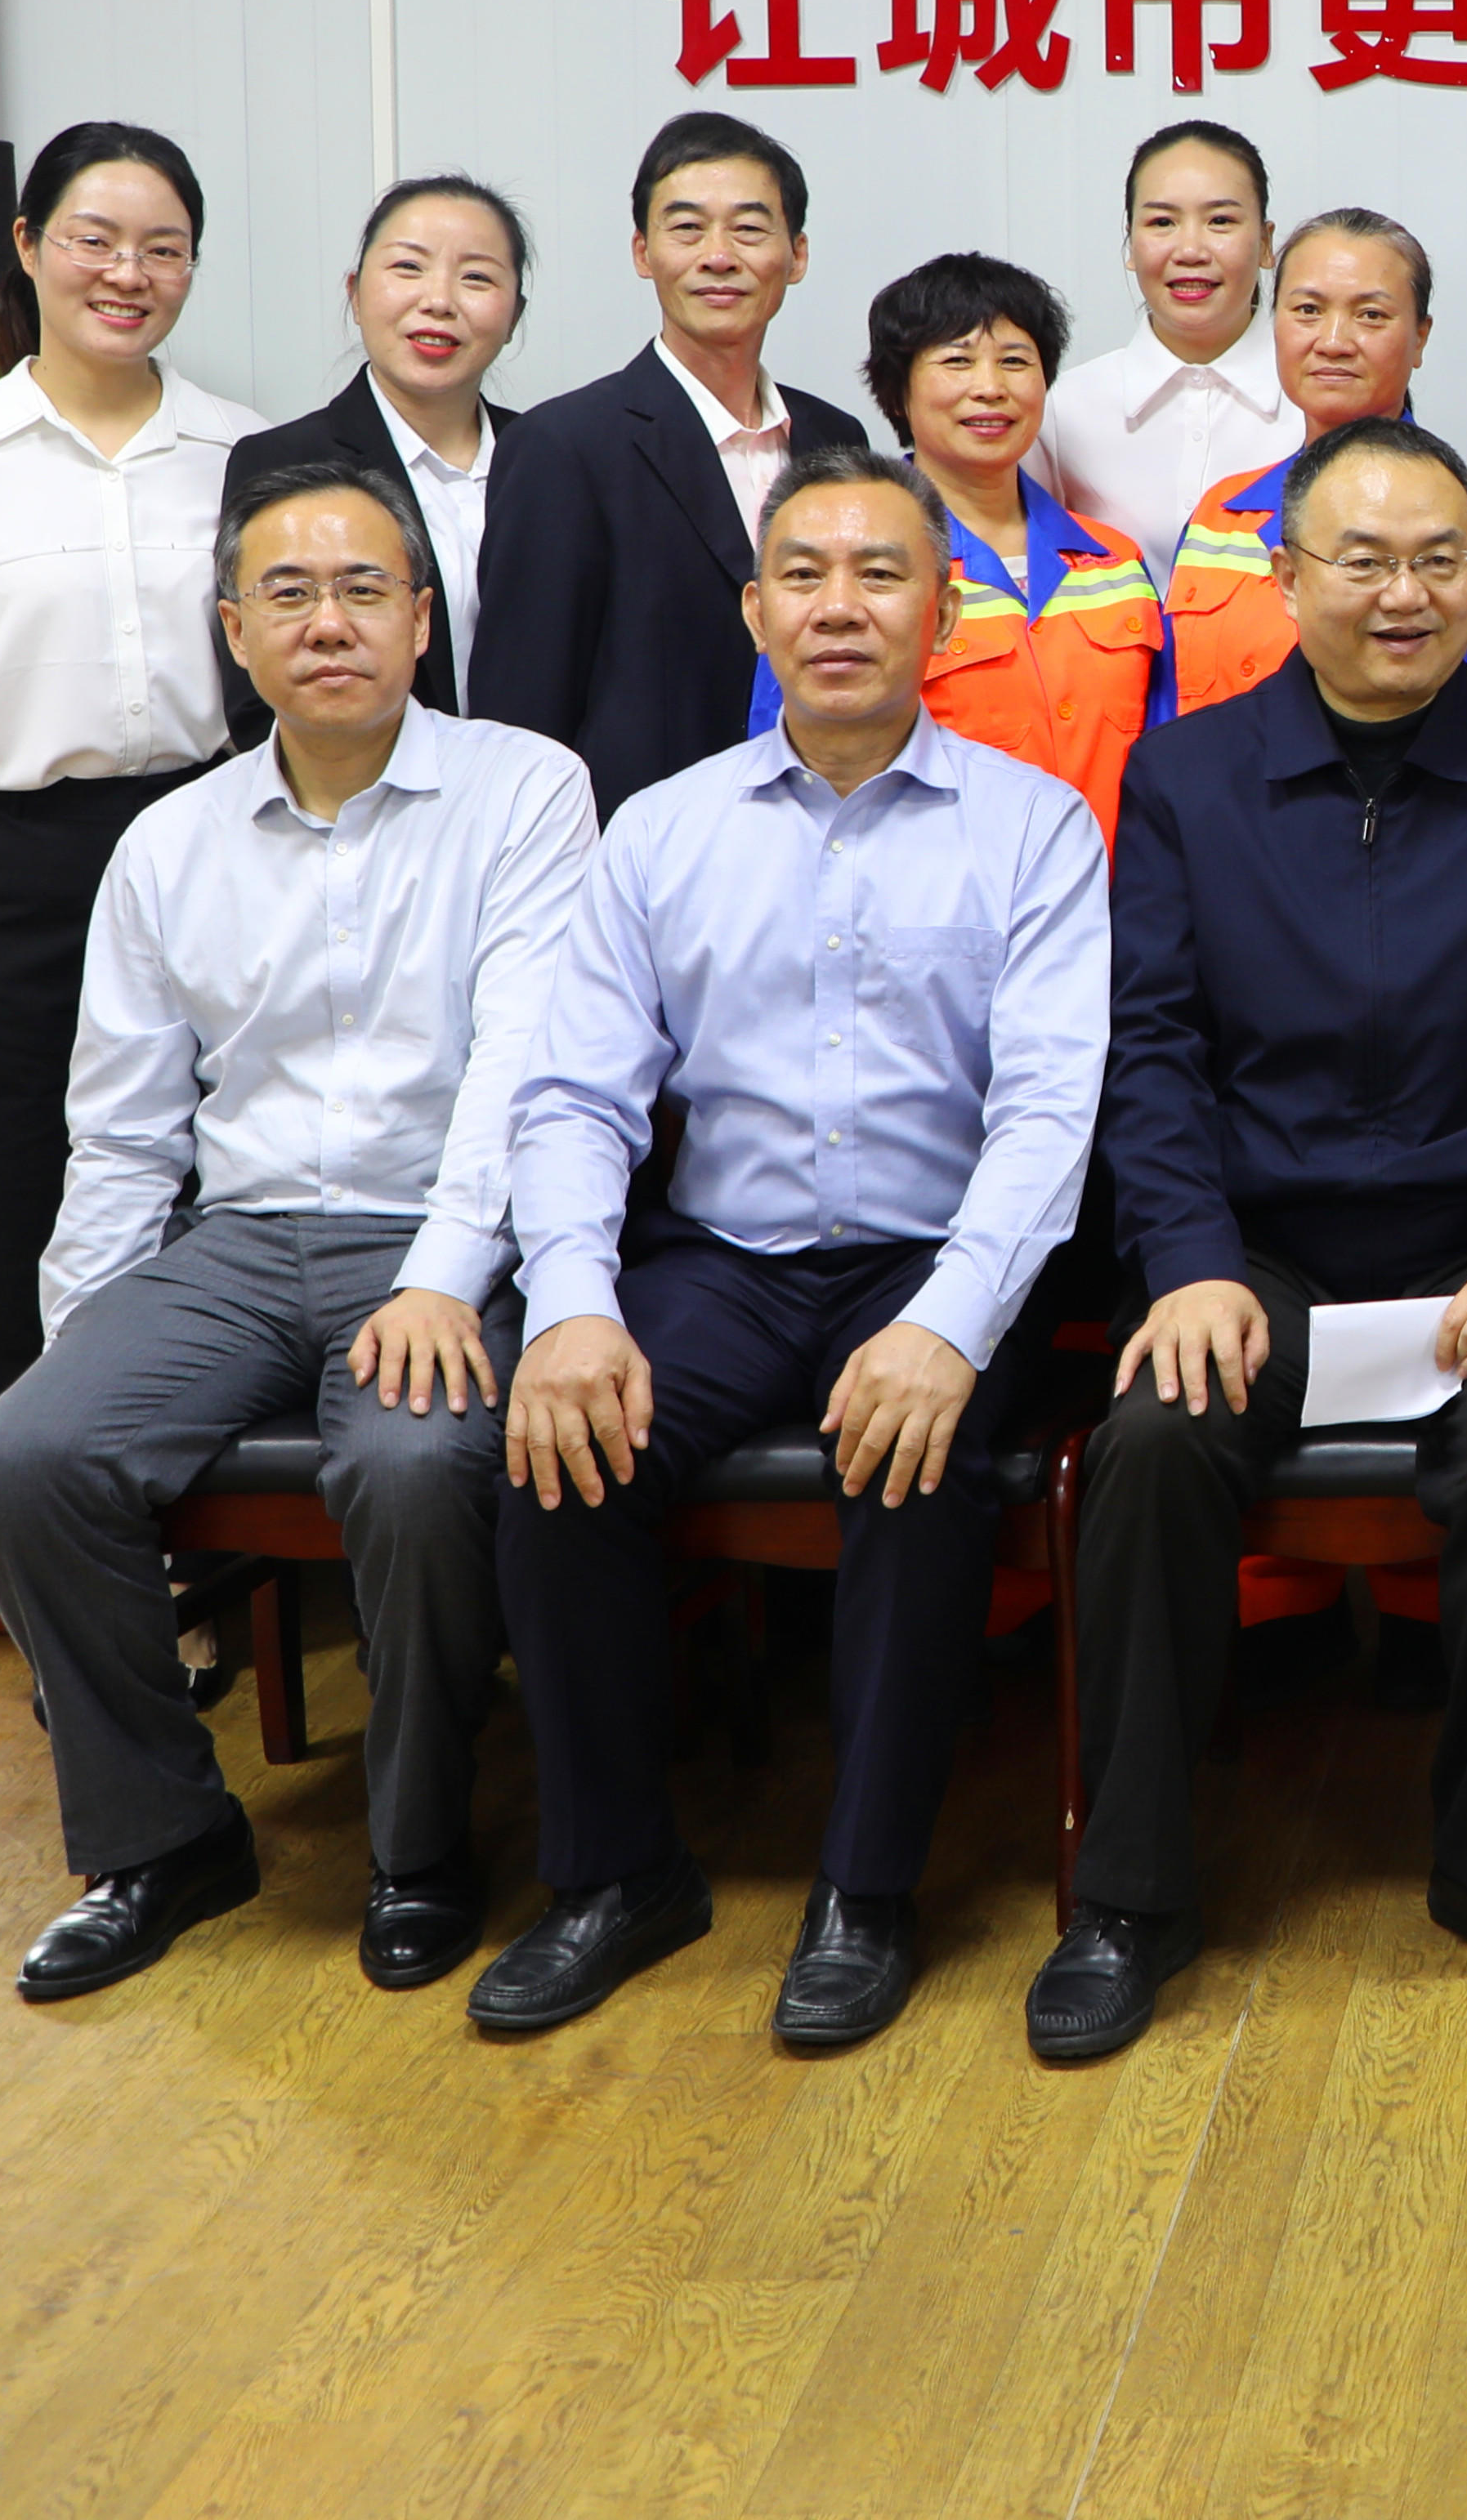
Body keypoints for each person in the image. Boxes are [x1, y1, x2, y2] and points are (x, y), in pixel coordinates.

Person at [472, 447, 1112, 2051]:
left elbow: (1049, 1110)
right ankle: (617, 1874)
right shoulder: (662, 830)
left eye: (881, 574)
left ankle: (866, 1891)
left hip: (940, 1252)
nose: (841, 607)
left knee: (915, 1455)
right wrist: (569, 1302)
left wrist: (952, 1322)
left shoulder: (1033, 829)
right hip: (726, 1260)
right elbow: (574, 1093)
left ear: (940, 612)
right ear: (755, 611)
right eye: (806, 575)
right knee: (563, 1445)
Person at [1036, 418, 1467, 2058]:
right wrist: (1188, 1261)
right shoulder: (1187, 777)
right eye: (1363, 560)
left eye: (1440, 560)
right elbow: (1150, 1051)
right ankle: (1127, 1895)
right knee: (1155, 1438)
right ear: (1287, 574)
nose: (1404, 594)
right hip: (1260, 1253)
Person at [0, 455, 595, 2003]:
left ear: (423, 621)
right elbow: (123, 1130)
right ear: (234, 632)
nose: (330, 624)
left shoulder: (526, 790)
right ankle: (163, 1840)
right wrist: (85, 1347)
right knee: (26, 1457)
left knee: (416, 1466)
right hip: (236, 1246)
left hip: (447, 1232)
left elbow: (526, 1074)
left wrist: (445, 1278)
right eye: (290, 594)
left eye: (365, 589)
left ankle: (420, 1845)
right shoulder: (169, 844)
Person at [0, 121, 266, 1450]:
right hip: (12, 871)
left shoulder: (244, 452)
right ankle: (28, 1529)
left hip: (206, 847)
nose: (127, 273)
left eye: (164, 248)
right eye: (96, 240)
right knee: (11, 1202)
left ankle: (202, 1522)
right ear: (30, 247)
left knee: (209, 1189)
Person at [464, 121, 874, 821]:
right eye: (687, 229)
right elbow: (521, 717)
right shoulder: (563, 446)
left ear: (797, 254)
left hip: (828, 828)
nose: (718, 257)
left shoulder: (835, 437)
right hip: (643, 849)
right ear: (643, 252)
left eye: (749, 230)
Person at [744, 252, 1158, 842]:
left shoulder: (1114, 563)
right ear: (899, 392)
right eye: (957, 361)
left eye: (1015, 361)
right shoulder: (846, 571)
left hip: (1112, 893)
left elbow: (1165, 762)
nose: (990, 388)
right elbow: (784, 771)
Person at [1159, 208, 1467, 712]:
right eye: (1308, 310)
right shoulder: (1220, 516)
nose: (1334, 342)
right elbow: (1169, 724)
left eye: (1371, 315)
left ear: (1420, 337)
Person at [219, 174, 531, 744]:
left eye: (477, 277)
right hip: (357, 790)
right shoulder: (285, 463)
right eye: (408, 267)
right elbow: (258, 693)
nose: (438, 301)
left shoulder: (553, 456)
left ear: (514, 315)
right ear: (355, 294)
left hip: (540, 789)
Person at [1041, 120, 1295, 582]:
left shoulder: (1314, 400)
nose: (1191, 250)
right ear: (1130, 244)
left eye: (1220, 221)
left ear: (1265, 243)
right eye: (1162, 223)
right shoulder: (1063, 409)